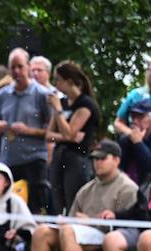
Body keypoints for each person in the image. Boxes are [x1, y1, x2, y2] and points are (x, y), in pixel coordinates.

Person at [30, 140, 138, 251]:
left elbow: (129, 227)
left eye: (102, 158)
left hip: (109, 238)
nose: (97, 163)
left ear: (116, 160)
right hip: (77, 235)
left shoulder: (127, 187)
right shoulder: (86, 189)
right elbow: (71, 219)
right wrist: (63, 221)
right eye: (95, 159)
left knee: (68, 231)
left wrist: (90, 222)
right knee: (41, 232)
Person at [0, 48, 53, 213]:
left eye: (20, 66)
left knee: (34, 209)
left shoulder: (42, 94)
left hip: (34, 159)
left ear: (28, 67)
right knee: (7, 209)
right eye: (13, 67)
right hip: (9, 160)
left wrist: (28, 130)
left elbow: (53, 132)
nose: (17, 71)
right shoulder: (2, 95)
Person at [46, 61, 100, 214]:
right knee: (57, 201)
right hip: (59, 157)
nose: (55, 84)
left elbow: (68, 132)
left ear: (69, 81)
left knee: (73, 201)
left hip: (77, 159)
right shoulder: (63, 102)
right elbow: (49, 135)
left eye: (58, 80)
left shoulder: (85, 104)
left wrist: (58, 111)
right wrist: (67, 137)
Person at [114, 56, 151, 141]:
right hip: (135, 144)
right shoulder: (136, 95)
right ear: (147, 72)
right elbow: (118, 123)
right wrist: (133, 134)